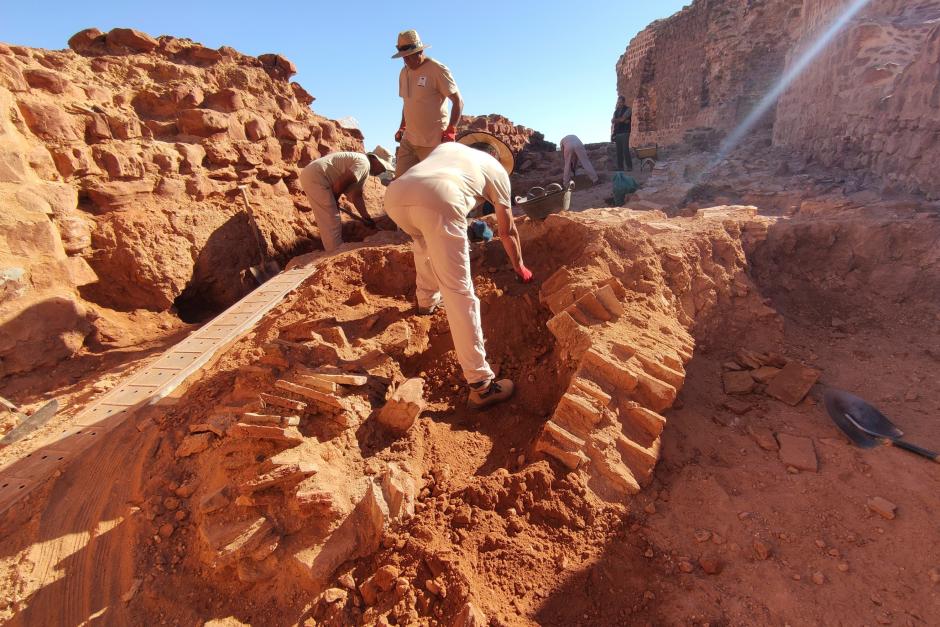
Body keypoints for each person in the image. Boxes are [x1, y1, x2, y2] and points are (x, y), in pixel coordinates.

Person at [383, 133, 532, 410]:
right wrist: (519, 265)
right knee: (459, 292)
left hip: (395, 196)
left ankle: (425, 303)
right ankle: (482, 386)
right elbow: (507, 229)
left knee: (423, 243)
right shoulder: (496, 169)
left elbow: (428, 185)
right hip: (440, 197)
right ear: (495, 156)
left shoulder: (448, 150)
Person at [391, 29, 463, 177]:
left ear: (419, 52)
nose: (406, 60)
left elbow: (458, 102)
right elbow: (408, 103)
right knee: (401, 184)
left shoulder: (437, 69)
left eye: (409, 56)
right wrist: (402, 126)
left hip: (433, 143)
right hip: (409, 141)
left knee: (435, 188)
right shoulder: (404, 73)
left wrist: (451, 130)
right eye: (403, 57)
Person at [298, 151, 393, 252]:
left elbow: (357, 196)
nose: (382, 172)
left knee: (330, 217)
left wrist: (366, 217)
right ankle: (334, 252)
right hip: (317, 177)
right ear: (375, 159)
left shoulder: (363, 166)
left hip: (314, 175)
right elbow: (340, 183)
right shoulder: (364, 164)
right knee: (331, 219)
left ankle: (334, 249)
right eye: (383, 167)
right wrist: (334, 198)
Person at [611, 95, 633, 171]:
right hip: (617, 133)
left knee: (625, 150)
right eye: (618, 102)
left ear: (624, 102)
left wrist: (621, 120)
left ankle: (629, 167)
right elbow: (613, 121)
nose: (619, 103)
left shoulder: (628, 109)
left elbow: (622, 119)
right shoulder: (616, 111)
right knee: (618, 151)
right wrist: (621, 120)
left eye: (620, 102)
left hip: (625, 132)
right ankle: (620, 167)